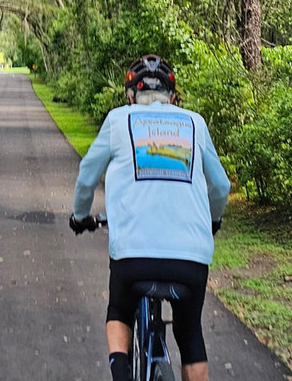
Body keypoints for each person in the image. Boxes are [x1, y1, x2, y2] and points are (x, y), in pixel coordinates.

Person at [70, 55, 230, 381]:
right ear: (172, 97)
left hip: (133, 256)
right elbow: (221, 185)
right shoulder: (194, 123)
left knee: (119, 311)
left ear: (131, 94)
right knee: (190, 335)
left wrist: (80, 216)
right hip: (191, 257)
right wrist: (212, 222)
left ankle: (120, 372)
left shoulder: (119, 120)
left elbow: (88, 174)